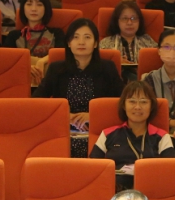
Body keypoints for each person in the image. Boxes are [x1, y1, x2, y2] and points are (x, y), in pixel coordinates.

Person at [34, 18, 123, 157]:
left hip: (99, 134)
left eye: (87, 37)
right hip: (62, 132)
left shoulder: (107, 68)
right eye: (75, 37)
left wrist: (93, 115)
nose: (81, 42)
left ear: (95, 43)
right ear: (69, 43)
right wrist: (64, 116)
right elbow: (36, 102)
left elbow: (122, 102)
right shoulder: (56, 69)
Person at [90, 82, 175, 189]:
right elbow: (93, 170)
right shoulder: (107, 134)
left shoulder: (162, 137)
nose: (137, 107)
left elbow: (171, 172)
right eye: (132, 101)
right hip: (114, 190)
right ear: (124, 105)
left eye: (143, 102)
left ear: (151, 106)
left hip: (151, 190)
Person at [2, 0, 66, 85]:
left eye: (39, 5)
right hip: (21, 82)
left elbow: (61, 55)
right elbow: (7, 60)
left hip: (50, 83)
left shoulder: (56, 33)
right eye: (29, 4)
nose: (34, 9)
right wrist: (27, 67)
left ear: (46, 8)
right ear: (23, 8)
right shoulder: (14, 36)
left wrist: (42, 62)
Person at [100, 1, 157, 80]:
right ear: (117, 21)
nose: (129, 23)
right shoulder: (105, 44)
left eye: (134, 18)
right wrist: (116, 62)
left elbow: (157, 67)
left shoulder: (148, 41)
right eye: (125, 18)